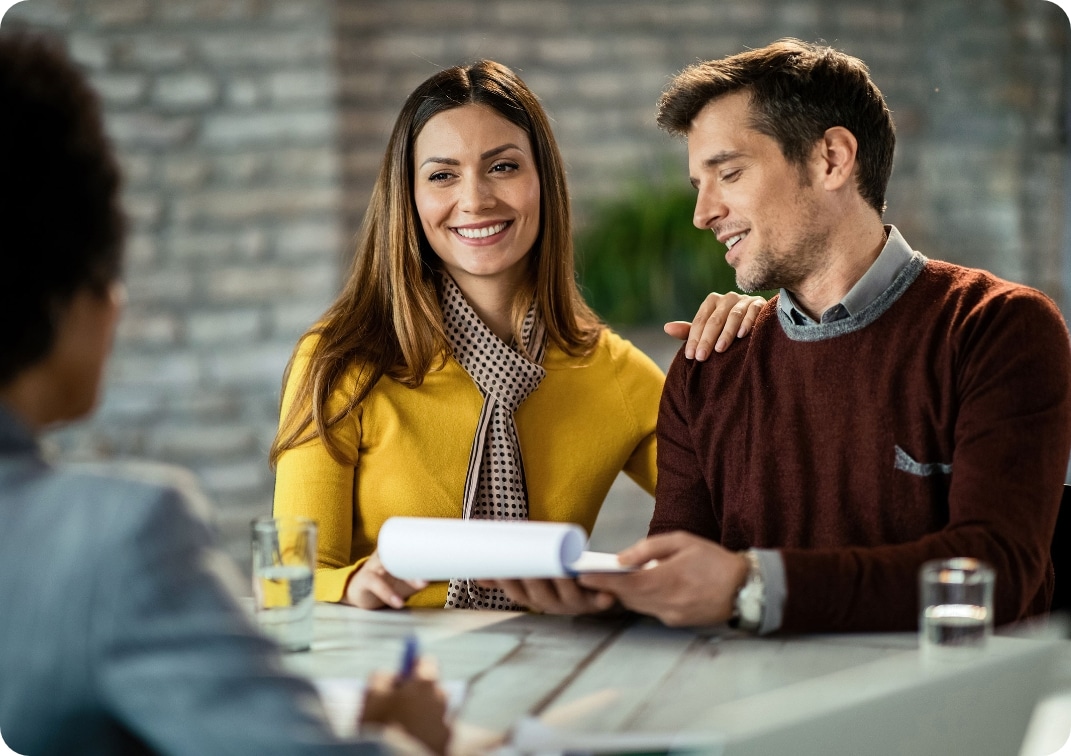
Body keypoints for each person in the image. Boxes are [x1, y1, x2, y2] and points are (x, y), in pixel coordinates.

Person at [0, 31, 448, 755]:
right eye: (439, 175)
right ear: (79, 298)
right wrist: (400, 737)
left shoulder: (606, 368)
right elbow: (300, 579)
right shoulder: (116, 541)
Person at [570, 38, 1071, 634]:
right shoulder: (710, 366)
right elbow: (680, 587)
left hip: (946, 719)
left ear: (832, 158)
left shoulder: (997, 328)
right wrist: (591, 596)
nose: (703, 214)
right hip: (750, 715)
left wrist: (750, 586)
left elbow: (994, 574)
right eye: (697, 186)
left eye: (728, 173)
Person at [269, 59, 764, 613]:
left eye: (502, 167)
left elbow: (748, 523)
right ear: (408, 198)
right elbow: (286, 575)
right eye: (441, 175)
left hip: (548, 677)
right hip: (394, 682)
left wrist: (763, 345)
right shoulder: (344, 358)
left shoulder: (613, 373)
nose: (476, 199)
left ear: (542, 183)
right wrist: (352, 585)